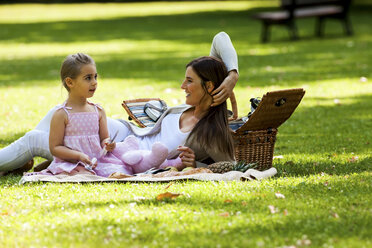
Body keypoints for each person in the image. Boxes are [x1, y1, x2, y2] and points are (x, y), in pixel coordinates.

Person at [0, 31, 239, 173]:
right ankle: (21, 161)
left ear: (208, 87)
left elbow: (231, 166)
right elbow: (221, 38)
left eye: (189, 81)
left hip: (121, 154)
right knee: (58, 113)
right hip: (122, 132)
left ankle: (27, 160)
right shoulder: (191, 106)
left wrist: (195, 162)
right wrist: (232, 75)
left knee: (33, 139)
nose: (182, 86)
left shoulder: (209, 131)